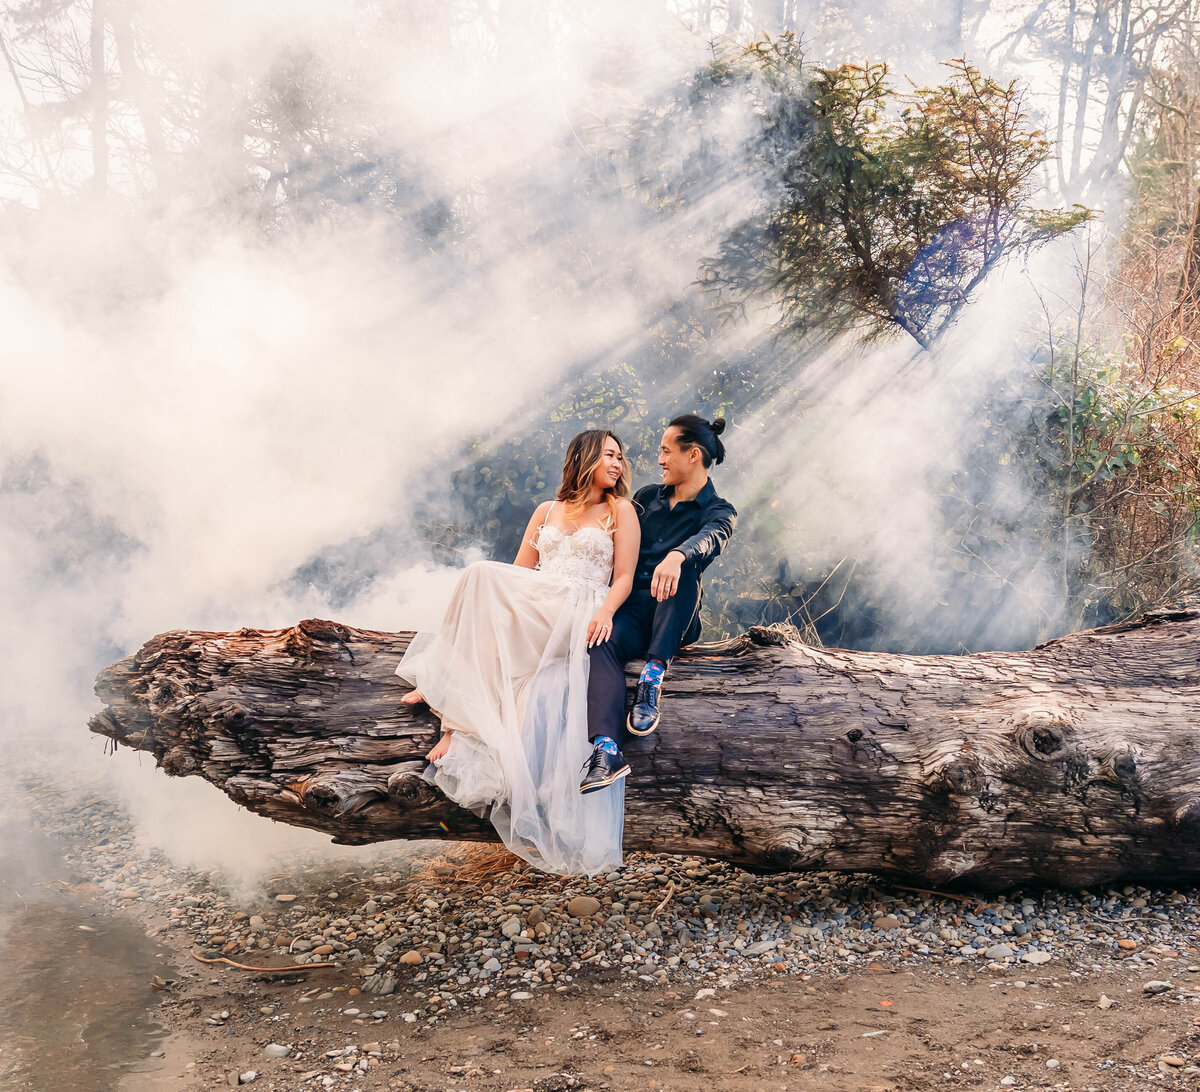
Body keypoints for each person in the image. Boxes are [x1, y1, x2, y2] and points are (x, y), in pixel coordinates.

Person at [396, 430, 640, 876]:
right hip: (541, 598)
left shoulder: (619, 510)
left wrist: (606, 612)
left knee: (481, 578)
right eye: (609, 455)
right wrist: (500, 607)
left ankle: (450, 712)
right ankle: (448, 700)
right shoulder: (546, 511)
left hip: (580, 607)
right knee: (481, 579)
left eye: (620, 457)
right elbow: (519, 572)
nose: (618, 464)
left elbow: (623, 576)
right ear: (584, 458)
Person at [580, 414, 736, 792]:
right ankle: (607, 750)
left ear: (693, 454)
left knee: (682, 573)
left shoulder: (719, 511)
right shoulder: (647, 498)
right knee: (600, 640)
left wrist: (679, 555)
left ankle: (652, 677)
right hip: (633, 615)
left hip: (675, 619)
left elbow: (712, 539)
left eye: (666, 451)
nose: (661, 460)